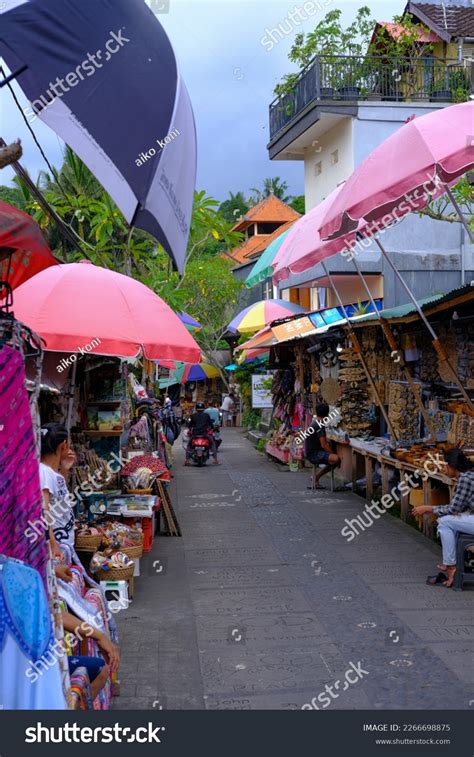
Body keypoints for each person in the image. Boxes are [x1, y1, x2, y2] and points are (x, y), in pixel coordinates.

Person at [413, 448, 474, 588]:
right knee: (447, 520)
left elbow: (453, 508)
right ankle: (451, 563)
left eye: (445, 465)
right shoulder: (468, 475)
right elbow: (460, 506)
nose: (443, 468)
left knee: (444, 522)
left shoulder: (465, 478)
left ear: (452, 466)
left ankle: (451, 566)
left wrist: (428, 508)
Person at [39, 423, 77, 561]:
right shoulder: (43, 472)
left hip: (63, 545)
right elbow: (44, 511)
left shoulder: (51, 472)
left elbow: (60, 497)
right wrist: (54, 546)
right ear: (64, 445)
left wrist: (65, 468)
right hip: (57, 550)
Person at [304, 403, 341, 490]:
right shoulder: (319, 425)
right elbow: (324, 445)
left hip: (311, 451)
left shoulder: (315, 422)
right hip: (313, 454)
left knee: (335, 460)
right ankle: (316, 477)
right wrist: (332, 452)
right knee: (336, 459)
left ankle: (316, 477)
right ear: (327, 414)